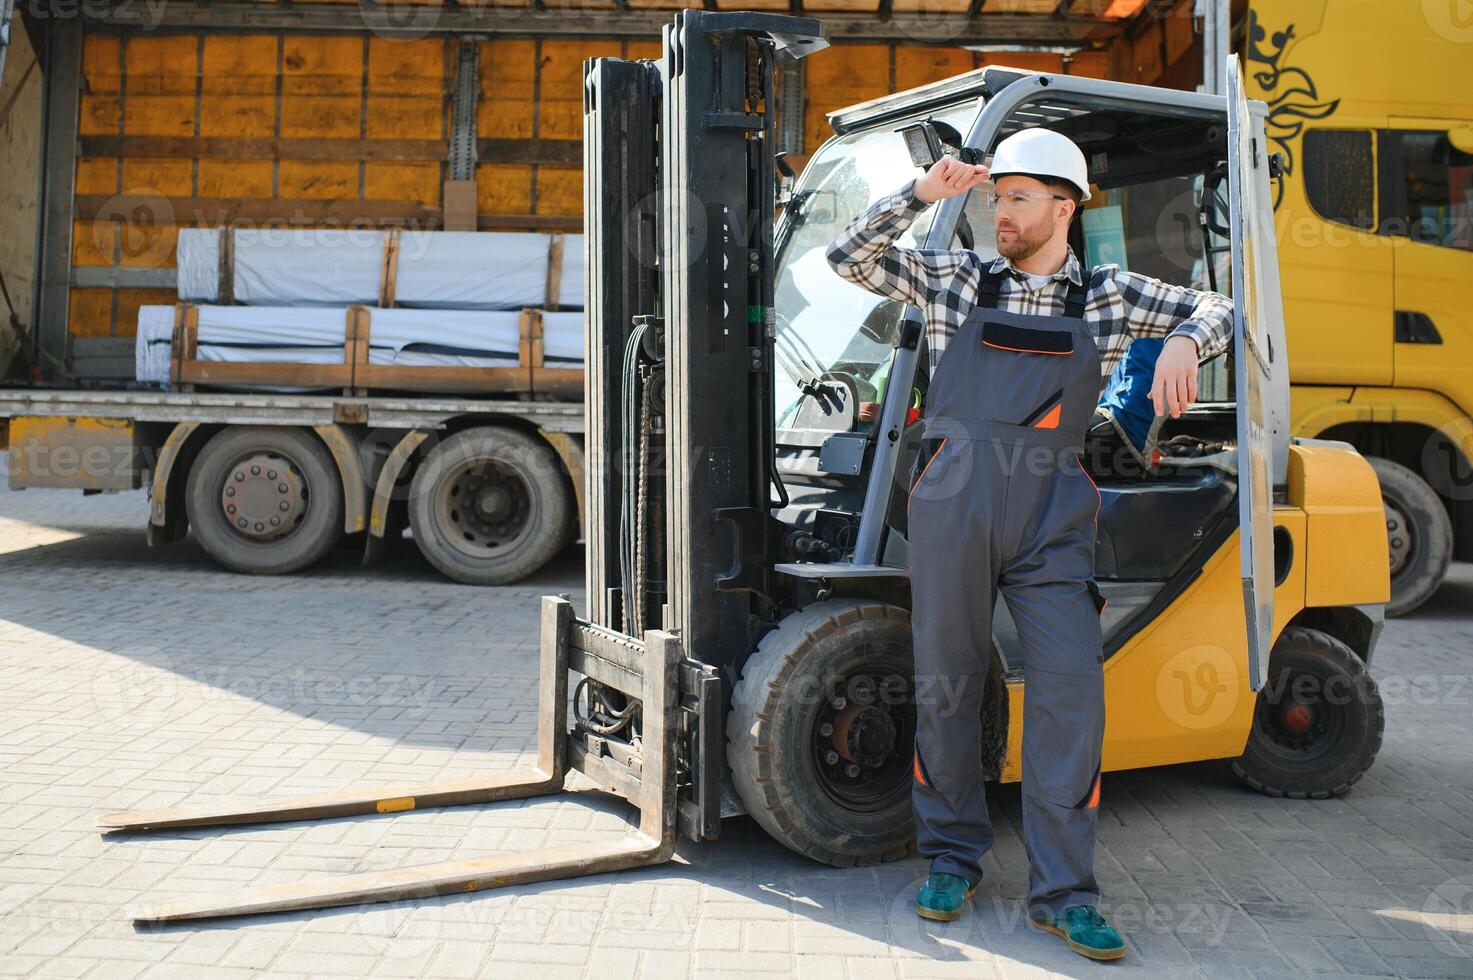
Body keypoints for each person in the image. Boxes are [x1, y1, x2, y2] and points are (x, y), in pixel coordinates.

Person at [826, 128, 1233, 961]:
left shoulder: (1110, 295)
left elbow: (1221, 306)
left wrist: (1187, 341)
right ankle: (949, 858)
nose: (997, 210)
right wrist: (918, 195)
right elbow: (845, 256)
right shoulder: (955, 280)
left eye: (1015, 197)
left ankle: (1063, 892)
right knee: (947, 680)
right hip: (955, 500)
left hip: (1051, 508)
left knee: (1069, 693)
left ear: (1063, 206)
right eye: (993, 196)